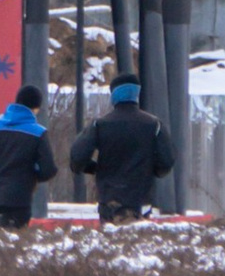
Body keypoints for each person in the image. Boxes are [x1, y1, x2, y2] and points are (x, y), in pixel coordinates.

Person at [70, 78, 176, 223]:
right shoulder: (154, 125)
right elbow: (167, 161)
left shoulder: (99, 124)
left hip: (110, 200)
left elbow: (77, 158)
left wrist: (95, 168)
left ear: (114, 94)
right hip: (141, 200)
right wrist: (152, 171)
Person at [0, 82, 58, 229]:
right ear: (36, 108)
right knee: (14, 242)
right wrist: (31, 177)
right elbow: (49, 169)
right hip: (19, 198)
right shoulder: (38, 133)